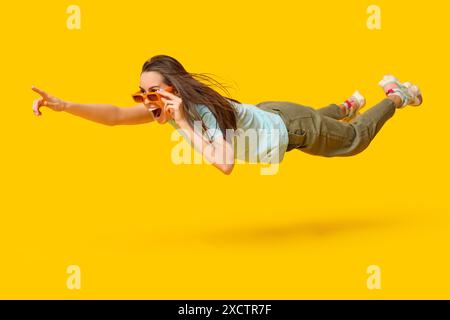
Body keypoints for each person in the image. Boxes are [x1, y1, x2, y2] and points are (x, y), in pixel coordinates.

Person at [31, 55, 423, 175]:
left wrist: (184, 122)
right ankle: (346, 106)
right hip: (276, 115)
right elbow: (115, 115)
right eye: (144, 92)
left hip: (290, 127)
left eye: (154, 91)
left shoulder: (196, 112)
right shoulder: (171, 107)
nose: (148, 100)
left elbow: (225, 165)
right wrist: (64, 106)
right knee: (316, 121)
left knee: (353, 142)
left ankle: (398, 96)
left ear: (175, 87)